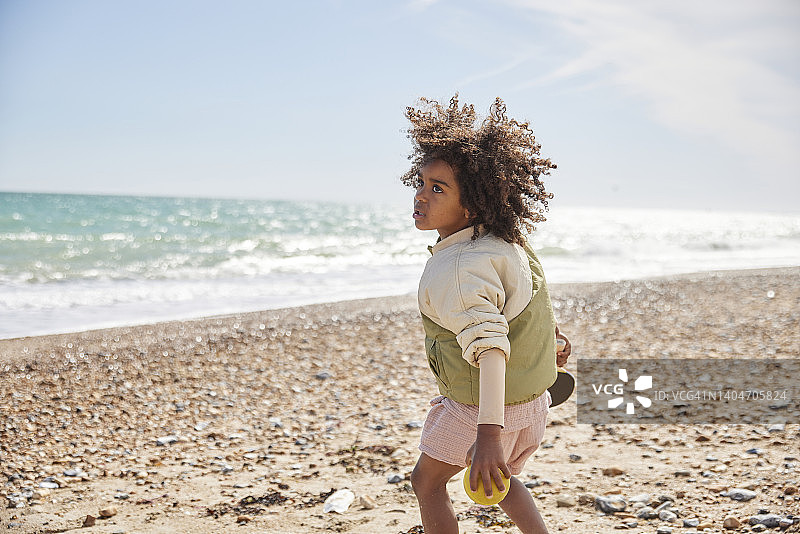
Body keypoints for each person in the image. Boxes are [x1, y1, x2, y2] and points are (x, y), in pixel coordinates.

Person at [403, 95, 571, 534]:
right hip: (531, 402)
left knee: (427, 481)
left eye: (438, 188)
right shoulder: (507, 244)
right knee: (500, 480)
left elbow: (492, 347)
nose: (420, 195)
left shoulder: (458, 268)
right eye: (420, 182)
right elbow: (521, 302)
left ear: (471, 205)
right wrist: (551, 343)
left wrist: (489, 436)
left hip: (481, 410)